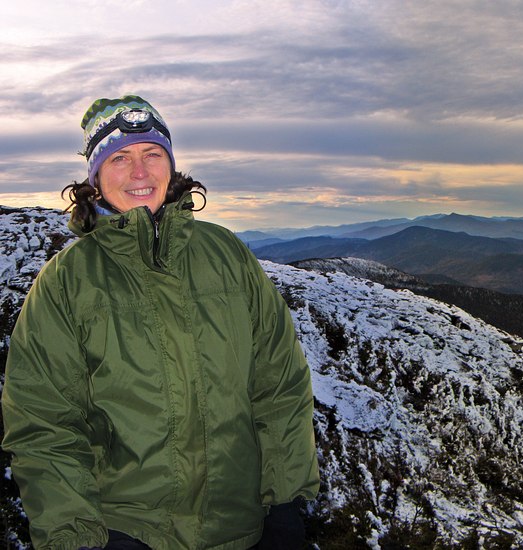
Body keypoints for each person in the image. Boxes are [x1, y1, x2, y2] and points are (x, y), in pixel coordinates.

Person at [1, 96, 320, 549]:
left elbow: (279, 384)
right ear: (95, 177)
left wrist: (286, 504)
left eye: (152, 154)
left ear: (171, 166)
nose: (139, 172)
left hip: (244, 527)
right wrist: (79, 538)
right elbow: (44, 424)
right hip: (126, 530)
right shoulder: (66, 282)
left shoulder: (226, 255)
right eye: (120, 158)